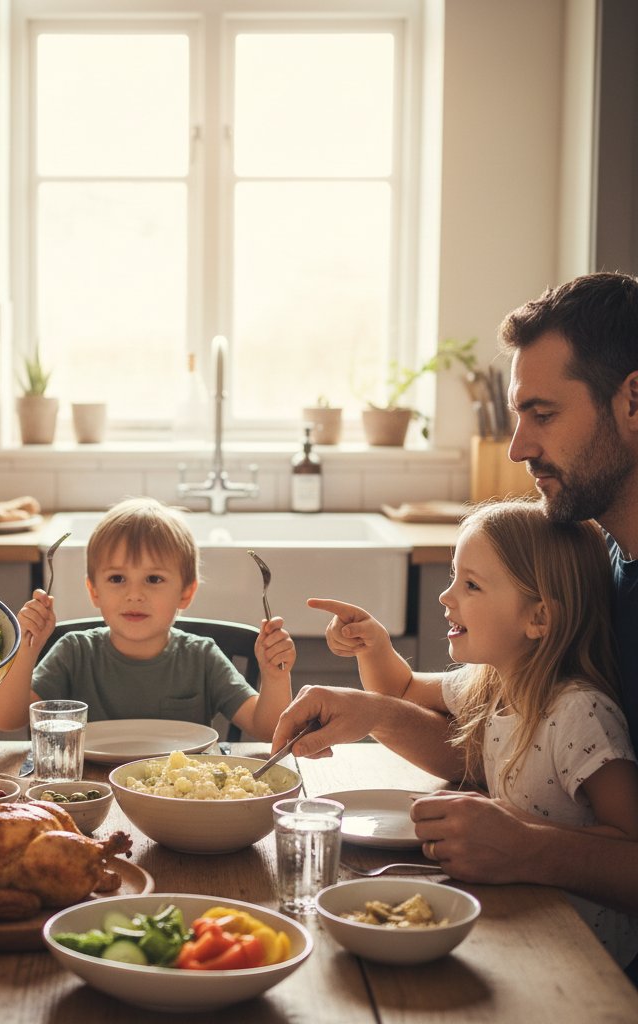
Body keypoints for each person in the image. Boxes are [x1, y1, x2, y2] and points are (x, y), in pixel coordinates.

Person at [271, 272, 638, 953]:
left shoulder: (583, 666)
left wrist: (530, 847)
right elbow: (498, 751)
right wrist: (375, 711)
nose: (517, 448)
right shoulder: (604, 563)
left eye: (543, 413)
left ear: (633, 400)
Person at [307, 499, 638, 963]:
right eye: (452, 577)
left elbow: (629, 839)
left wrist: (518, 829)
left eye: (471, 585)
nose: (446, 597)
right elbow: (401, 689)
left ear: (539, 618)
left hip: (586, 953)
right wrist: (372, 645)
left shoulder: (580, 714)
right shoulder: (491, 683)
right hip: (525, 919)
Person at [0, 496, 295, 739]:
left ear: (186, 593)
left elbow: (268, 730)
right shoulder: (74, 652)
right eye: (117, 579)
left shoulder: (202, 657)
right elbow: (7, 719)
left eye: (153, 579)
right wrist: (27, 647)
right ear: (94, 591)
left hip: (176, 794)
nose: (134, 594)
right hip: (92, 790)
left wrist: (275, 677)